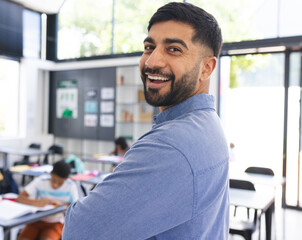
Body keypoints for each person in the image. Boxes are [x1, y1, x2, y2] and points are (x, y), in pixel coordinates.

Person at [62, 2, 229, 239]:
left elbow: (79, 231)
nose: (151, 62)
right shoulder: (208, 124)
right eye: (149, 47)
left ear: (207, 68)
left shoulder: (170, 144)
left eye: (174, 49)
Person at [17, 160, 79, 240]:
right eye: (53, 181)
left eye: (60, 183)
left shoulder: (71, 186)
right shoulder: (41, 180)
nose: (55, 185)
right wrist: (37, 203)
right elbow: (20, 198)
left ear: (66, 179)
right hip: (36, 220)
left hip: (56, 222)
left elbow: (76, 208)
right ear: (50, 173)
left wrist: (60, 204)